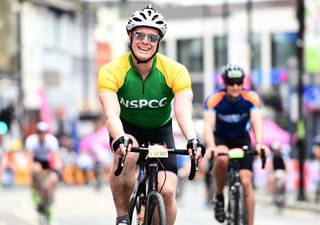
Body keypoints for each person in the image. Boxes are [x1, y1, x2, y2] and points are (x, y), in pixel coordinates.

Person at [97, 4, 205, 225]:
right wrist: (120, 137)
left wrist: (193, 139)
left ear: (159, 42)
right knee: (129, 154)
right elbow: (111, 114)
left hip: (160, 131)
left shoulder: (175, 71)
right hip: (127, 129)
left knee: (166, 193)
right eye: (140, 34)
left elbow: (183, 111)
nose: (145, 41)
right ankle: (123, 216)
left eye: (152, 37)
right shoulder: (111, 70)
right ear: (130, 35)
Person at [203, 64, 268, 225]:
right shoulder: (214, 99)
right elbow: (208, 126)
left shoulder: (251, 97)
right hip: (221, 138)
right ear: (224, 83)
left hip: (241, 138)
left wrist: (259, 144)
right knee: (222, 159)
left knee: (246, 182)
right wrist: (211, 147)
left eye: (239, 82)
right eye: (231, 83)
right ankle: (219, 195)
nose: (235, 86)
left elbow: (257, 122)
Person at [24, 121, 60, 220]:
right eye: (40, 132)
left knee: (52, 180)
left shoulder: (52, 140)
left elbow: (55, 157)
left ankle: (49, 203)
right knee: (35, 170)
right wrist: (31, 169)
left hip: (47, 162)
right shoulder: (31, 141)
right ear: (37, 132)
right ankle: (35, 192)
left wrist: (57, 169)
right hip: (37, 161)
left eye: (44, 132)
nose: (42, 134)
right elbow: (29, 158)